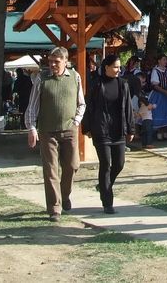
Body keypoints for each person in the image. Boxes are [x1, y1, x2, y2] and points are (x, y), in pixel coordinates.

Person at [26, 47, 86, 220]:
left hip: (69, 130)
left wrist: (76, 121)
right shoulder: (42, 78)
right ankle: (54, 208)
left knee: (72, 165)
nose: (52, 64)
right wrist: (31, 128)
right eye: (50, 61)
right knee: (51, 169)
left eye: (56, 62)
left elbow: (81, 103)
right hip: (48, 131)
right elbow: (33, 105)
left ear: (65, 61)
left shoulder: (74, 77)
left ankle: (64, 195)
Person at [84, 53, 133, 215]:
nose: (119, 70)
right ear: (106, 67)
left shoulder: (123, 84)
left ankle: (103, 186)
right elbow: (88, 106)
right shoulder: (96, 84)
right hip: (101, 129)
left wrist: (131, 129)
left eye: (120, 67)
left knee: (119, 164)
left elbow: (128, 108)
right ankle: (107, 202)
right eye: (115, 67)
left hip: (118, 130)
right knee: (105, 164)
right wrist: (87, 127)